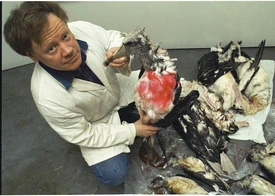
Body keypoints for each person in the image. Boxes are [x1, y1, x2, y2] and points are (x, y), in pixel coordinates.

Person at [4, 1, 160, 186]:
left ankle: (127, 114)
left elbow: (112, 37)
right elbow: (84, 134)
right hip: (95, 123)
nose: (68, 50)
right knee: (114, 175)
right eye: (51, 48)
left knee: (166, 82)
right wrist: (133, 130)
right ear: (32, 55)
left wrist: (122, 52)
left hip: (118, 89)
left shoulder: (80, 28)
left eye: (65, 36)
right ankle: (127, 119)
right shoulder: (47, 96)